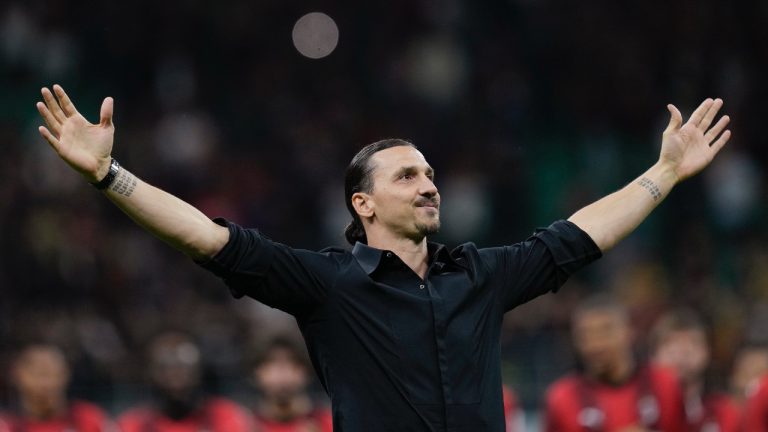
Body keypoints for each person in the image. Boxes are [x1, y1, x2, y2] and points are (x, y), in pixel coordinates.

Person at [35, 84, 730, 431]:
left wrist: (664, 173)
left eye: (429, 174)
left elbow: (583, 235)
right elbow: (205, 237)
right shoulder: (327, 285)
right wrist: (109, 175)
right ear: (361, 206)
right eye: (405, 176)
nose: (428, 184)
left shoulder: (479, 276)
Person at [543, 295, 687, 431]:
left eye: (605, 332)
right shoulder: (562, 398)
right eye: (585, 335)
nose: (595, 344)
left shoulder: (664, 384)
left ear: (628, 332)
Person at [118, 331, 251, 432]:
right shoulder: (133, 425)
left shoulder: (228, 417)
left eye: (185, 367)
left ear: (199, 370)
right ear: (150, 373)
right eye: (165, 368)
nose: (176, 377)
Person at [651, 309, 741, 432]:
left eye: (692, 343)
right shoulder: (635, 409)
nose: (682, 352)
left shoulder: (724, 411)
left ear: (706, 353)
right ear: (654, 355)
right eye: (671, 343)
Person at [0, 342, 113, 432]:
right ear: (18, 376)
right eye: (39, 374)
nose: (46, 383)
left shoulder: (91, 419)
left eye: (53, 374)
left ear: (66, 374)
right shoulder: (5, 426)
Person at [250, 336, 332, 432]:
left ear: (307, 370)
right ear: (256, 371)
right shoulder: (242, 423)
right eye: (272, 362)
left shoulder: (329, 422)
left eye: (293, 362)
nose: (282, 372)